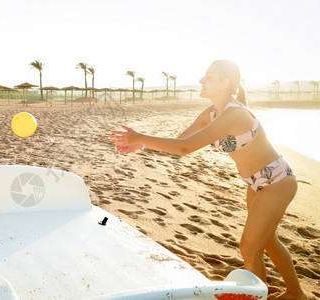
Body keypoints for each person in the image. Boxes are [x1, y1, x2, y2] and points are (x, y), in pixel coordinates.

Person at [110, 60, 305, 300]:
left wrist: (139, 136)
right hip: (256, 183)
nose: (202, 80)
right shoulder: (211, 113)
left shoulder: (235, 114)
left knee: (249, 247)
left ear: (225, 82)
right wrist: (140, 144)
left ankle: (274, 295)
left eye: (209, 77)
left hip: (278, 181)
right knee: (267, 240)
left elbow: (185, 148)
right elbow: (179, 140)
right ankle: (295, 294)